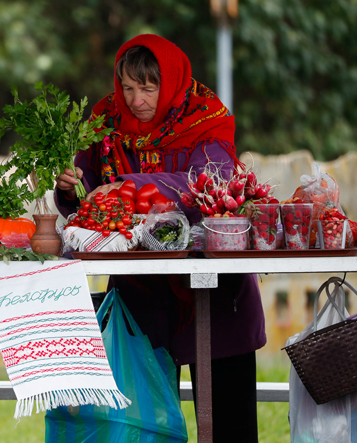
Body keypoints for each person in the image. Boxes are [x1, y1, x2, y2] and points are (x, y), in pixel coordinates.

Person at [55, 34, 265, 442]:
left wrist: (128, 184)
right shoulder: (105, 120)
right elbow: (89, 201)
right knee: (144, 424)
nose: (136, 101)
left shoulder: (206, 116)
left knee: (229, 424)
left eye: (149, 88)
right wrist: (72, 188)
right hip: (142, 294)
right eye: (128, 88)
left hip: (217, 295)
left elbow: (212, 184)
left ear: (170, 82)